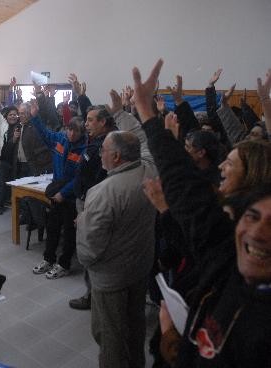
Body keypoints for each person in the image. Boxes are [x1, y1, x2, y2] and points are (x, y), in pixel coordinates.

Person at [136, 59, 271, 367]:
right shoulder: (227, 249)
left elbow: (186, 194)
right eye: (252, 216)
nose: (257, 232)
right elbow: (184, 186)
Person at [75, 88, 157, 368]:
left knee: (108, 335)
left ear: (118, 157)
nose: (101, 155)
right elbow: (144, 139)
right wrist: (122, 111)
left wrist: (82, 223)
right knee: (134, 328)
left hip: (111, 278)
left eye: (106, 151)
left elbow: (88, 250)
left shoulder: (102, 192)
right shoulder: (148, 171)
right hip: (140, 267)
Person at [30, 101, 86, 280]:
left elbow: (79, 178)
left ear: (81, 132)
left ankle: (64, 264)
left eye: (75, 131)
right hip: (56, 193)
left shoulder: (84, 149)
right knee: (52, 228)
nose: (71, 133)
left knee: (69, 233)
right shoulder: (61, 139)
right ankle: (48, 259)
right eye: (69, 129)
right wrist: (35, 117)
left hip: (70, 197)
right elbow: (45, 134)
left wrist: (64, 193)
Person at [69, 105, 116, 310]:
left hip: (93, 201)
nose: (86, 124)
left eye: (90, 120)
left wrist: (88, 205)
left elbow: (100, 177)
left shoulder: (107, 144)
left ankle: (92, 295)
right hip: (85, 198)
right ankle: (93, 292)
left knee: (92, 246)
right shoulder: (95, 141)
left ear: (103, 122)